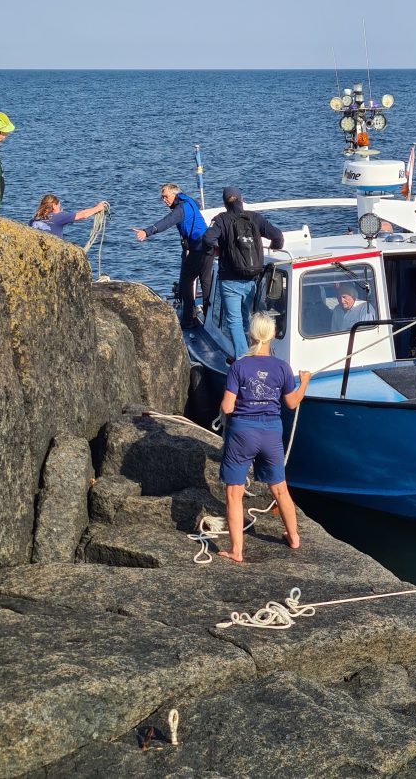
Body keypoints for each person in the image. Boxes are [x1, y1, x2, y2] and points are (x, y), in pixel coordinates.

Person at [218, 312, 311, 563]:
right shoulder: (282, 367)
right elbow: (292, 403)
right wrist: (304, 382)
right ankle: (294, 537)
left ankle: (237, 551)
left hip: (242, 433)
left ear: (251, 335)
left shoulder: (238, 366)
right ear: (273, 335)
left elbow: (227, 407)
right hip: (271, 432)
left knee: (234, 493)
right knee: (280, 490)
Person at [203, 186, 284, 358]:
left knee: (234, 321)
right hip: (252, 278)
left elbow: (208, 239)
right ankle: (255, 353)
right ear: (241, 200)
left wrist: (218, 249)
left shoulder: (221, 219)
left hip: (229, 280)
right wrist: (275, 247)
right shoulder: (255, 217)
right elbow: (278, 236)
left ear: (225, 203)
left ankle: (243, 358)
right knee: (248, 318)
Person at [131, 184, 213, 328]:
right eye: (162, 197)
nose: (164, 200)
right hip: (208, 245)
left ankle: (188, 320)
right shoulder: (189, 200)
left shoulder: (180, 209)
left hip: (198, 247)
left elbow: (166, 222)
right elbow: (198, 204)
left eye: (166, 197)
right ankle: (209, 314)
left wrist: (146, 232)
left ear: (174, 194)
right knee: (205, 281)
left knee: (186, 282)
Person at [29, 194, 108, 239]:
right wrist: (98, 208)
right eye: (59, 206)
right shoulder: (59, 217)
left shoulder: (33, 220)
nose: (60, 208)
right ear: (54, 206)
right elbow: (83, 215)